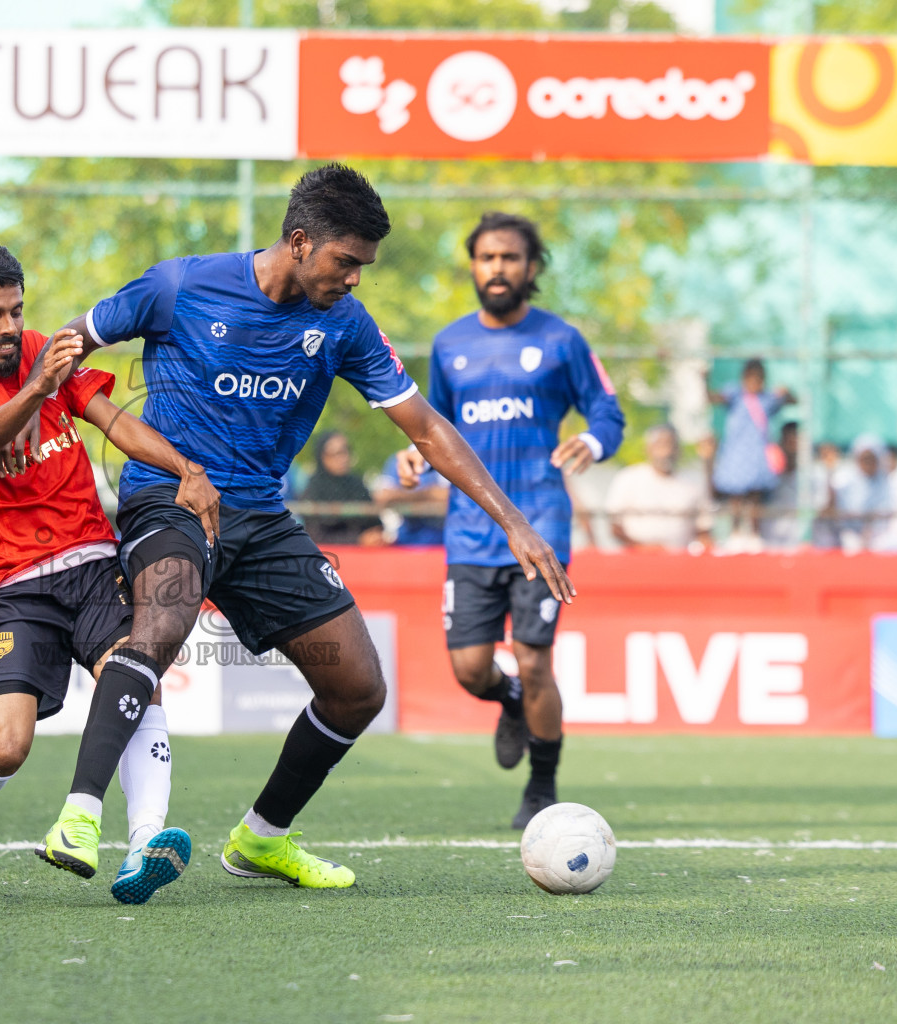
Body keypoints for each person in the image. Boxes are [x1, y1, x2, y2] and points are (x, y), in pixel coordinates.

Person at [32, 166, 570, 889]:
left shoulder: (345, 326)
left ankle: (262, 840)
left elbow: (426, 427)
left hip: (260, 515)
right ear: (298, 241)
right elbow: (64, 348)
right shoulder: (180, 286)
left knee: (358, 687)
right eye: (345, 262)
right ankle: (79, 816)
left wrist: (513, 522)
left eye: (363, 267)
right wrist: (67, 432)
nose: (354, 279)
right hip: (168, 496)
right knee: (163, 619)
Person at [0, 242, 218, 905]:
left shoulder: (42, 349)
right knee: (6, 748)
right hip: (15, 583)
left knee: (138, 676)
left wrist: (186, 470)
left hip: (91, 562)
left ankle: (146, 840)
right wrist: (39, 386)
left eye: (16, 312)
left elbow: (113, 420)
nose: (8, 328)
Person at [399, 211, 625, 829]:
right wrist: (410, 453)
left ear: (532, 268)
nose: (497, 268)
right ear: (474, 266)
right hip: (470, 531)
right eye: (487, 258)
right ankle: (510, 702)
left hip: (541, 526)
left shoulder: (562, 341)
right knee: (472, 670)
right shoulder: (450, 344)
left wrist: (595, 441)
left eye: (510, 258)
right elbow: (428, 424)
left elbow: (608, 410)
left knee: (533, 657)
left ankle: (542, 787)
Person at [708, 358, 795, 538]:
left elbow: (793, 401)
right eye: (751, 378)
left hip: (757, 454)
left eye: (759, 378)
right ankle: (735, 534)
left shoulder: (767, 399)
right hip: (736, 453)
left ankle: (755, 535)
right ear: (744, 378)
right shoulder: (735, 395)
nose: (755, 382)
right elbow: (712, 398)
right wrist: (704, 379)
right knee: (736, 496)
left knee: (755, 497)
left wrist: (786, 392)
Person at [604, 423, 711, 552]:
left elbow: (703, 530)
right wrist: (644, 549)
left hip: (680, 560)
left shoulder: (693, 482)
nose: (666, 451)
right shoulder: (628, 478)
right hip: (636, 558)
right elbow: (615, 527)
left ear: (678, 449)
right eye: (660, 445)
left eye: (671, 445)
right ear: (648, 448)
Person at [834, 434, 897, 554]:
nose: (868, 464)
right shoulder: (845, 489)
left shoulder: (896, 489)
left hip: (887, 554)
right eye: (863, 459)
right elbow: (842, 527)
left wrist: (880, 546)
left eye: (871, 459)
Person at [299, 431, 384, 545]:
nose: (343, 458)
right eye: (336, 453)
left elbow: (375, 523)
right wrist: (358, 540)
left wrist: (376, 536)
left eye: (346, 451)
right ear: (322, 457)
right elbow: (316, 536)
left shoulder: (356, 484)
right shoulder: (314, 490)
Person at [373, 445, 449, 546]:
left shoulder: (445, 458)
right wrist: (428, 495)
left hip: (440, 539)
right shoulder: (395, 461)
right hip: (404, 539)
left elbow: (446, 495)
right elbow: (382, 497)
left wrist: (401, 496)